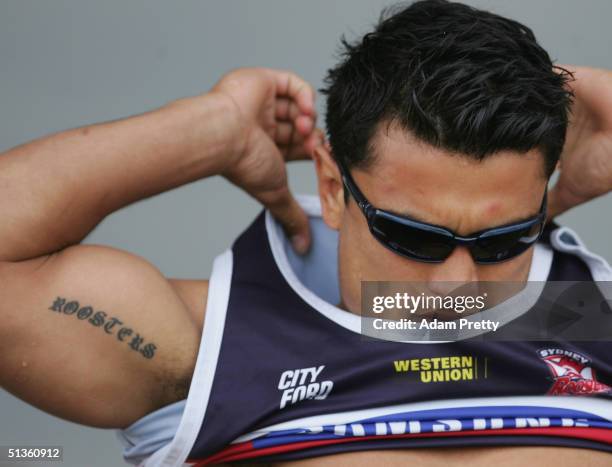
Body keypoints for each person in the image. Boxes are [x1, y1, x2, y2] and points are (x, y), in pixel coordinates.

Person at [1, 0, 611, 465]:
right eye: (414, 238)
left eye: (504, 241)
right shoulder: (207, 347)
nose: (458, 287)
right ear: (332, 187)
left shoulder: (592, 316)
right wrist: (210, 130)